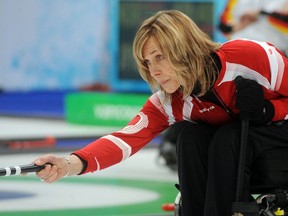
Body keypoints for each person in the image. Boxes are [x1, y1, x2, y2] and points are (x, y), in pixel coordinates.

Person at [34, 10, 288, 216]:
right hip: (237, 154)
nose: (153, 71)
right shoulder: (171, 100)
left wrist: (269, 110)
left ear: (184, 48)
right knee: (190, 137)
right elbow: (125, 139)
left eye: (159, 58)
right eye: (147, 62)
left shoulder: (250, 57)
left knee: (227, 138)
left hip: (277, 143)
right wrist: (68, 165)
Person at [219, 0, 288, 55]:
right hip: (239, 51)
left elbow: (285, 20)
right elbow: (223, 26)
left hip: (274, 53)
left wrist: (261, 13)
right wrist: (237, 26)